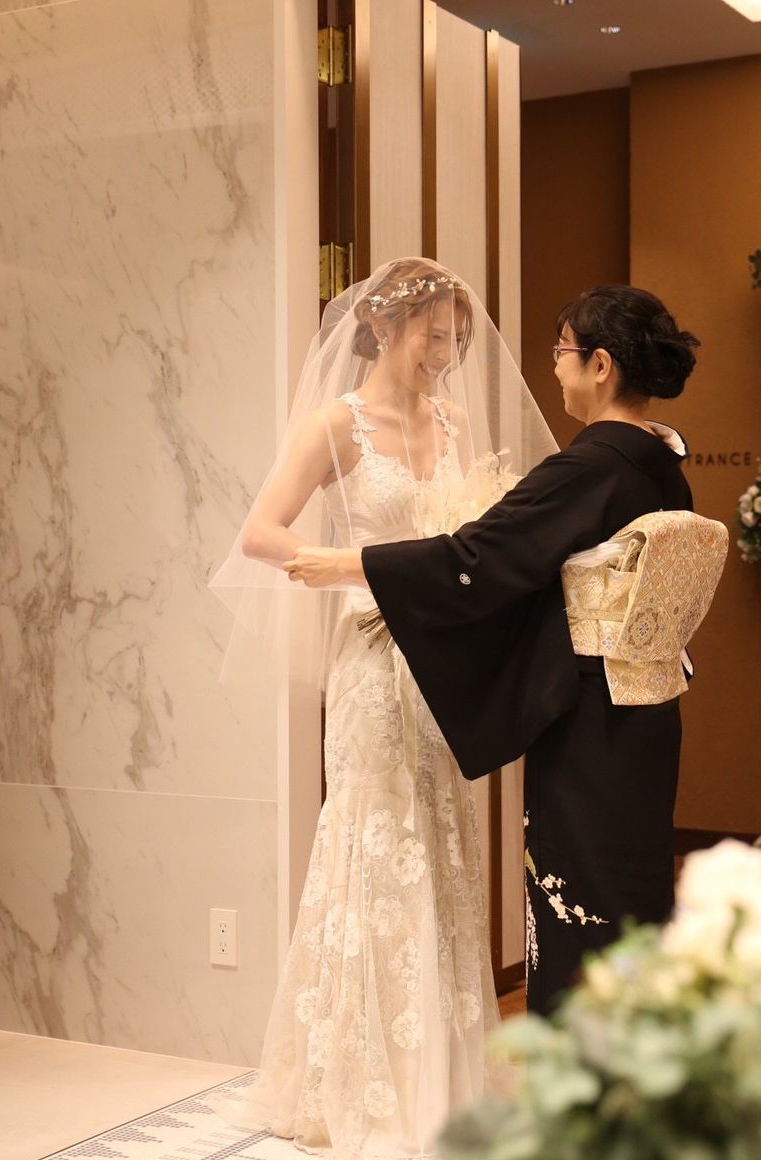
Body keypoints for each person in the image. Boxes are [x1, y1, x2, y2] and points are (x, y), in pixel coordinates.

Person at [286, 285, 726, 1016]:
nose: (553, 367)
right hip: (648, 707)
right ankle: (641, 1050)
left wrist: (351, 564)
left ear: (600, 366)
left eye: (561, 352)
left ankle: (578, 1062)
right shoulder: (658, 462)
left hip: (590, 716)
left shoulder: (588, 466)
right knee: (633, 885)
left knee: (578, 889)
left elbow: (479, 556)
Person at [209, 257, 557, 1155]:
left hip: (441, 665)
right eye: (432, 336)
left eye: (455, 339)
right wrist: (348, 573)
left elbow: (467, 543)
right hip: (370, 660)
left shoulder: (452, 421)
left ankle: (441, 1070)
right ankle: (355, 1077)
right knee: (372, 837)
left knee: (439, 838)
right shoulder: (340, 423)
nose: (444, 354)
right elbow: (260, 532)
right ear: (381, 329)